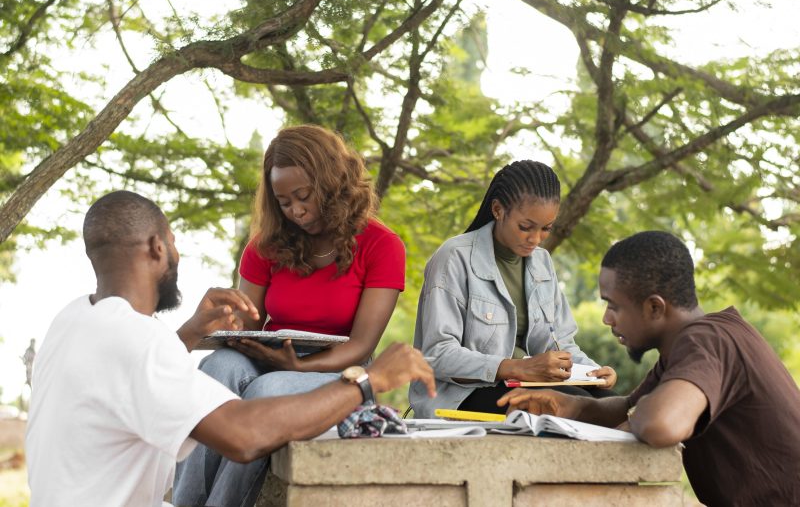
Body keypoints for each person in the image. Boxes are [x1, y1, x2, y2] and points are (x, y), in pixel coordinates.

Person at [25, 190, 434, 507]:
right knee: (239, 378)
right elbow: (244, 436)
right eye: (173, 242)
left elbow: (131, 369)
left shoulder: (74, 320)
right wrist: (369, 380)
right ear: (157, 248)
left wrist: (188, 333)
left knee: (225, 365)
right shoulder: (136, 341)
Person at [173, 125, 407, 505]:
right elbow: (248, 323)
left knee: (267, 392)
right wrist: (225, 320)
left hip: (336, 376)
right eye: (284, 202)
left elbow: (363, 345)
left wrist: (297, 369)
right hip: (269, 358)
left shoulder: (382, 246)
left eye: (304, 196)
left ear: (332, 184)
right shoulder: (266, 246)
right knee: (217, 369)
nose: (296, 210)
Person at [498, 231, 800, 506]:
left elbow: (662, 423)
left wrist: (637, 414)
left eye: (613, 305)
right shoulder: (693, 342)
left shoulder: (706, 341)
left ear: (654, 307)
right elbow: (629, 406)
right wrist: (574, 406)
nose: (607, 319)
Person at [409, 160, 616, 418]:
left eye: (546, 229)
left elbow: (560, 344)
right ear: (498, 209)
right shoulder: (454, 257)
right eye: (526, 227)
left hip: (524, 382)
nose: (536, 239)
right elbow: (437, 355)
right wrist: (516, 368)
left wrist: (594, 371)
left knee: (614, 405)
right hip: (461, 396)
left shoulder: (542, 263)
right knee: (578, 408)